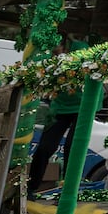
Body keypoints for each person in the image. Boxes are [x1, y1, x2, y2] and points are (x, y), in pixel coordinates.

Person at [26, 41, 87, 199]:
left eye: (56, 48)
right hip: (60, 107)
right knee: (45, 147)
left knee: (72, 147)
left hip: (83, 106)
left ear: (63, 44)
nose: (53, 52)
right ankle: (29, 189)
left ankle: (68, 192)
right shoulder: (49, 58)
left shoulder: (80, 49)